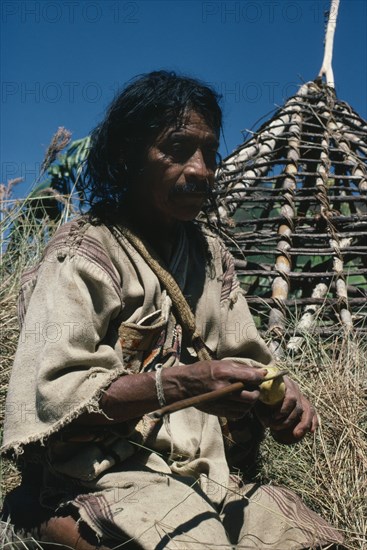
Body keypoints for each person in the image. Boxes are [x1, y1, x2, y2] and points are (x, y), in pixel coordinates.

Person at [1, 71, 343, 549]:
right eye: (177, 149)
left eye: (208, 152)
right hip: (108, 474)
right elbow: (58, 400)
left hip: (212, 478)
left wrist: (282, 403)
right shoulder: (84, 253)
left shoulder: (210, 258)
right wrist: (186, 384)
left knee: (312, 541)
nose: (201, 169)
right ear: (127, 157)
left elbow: (252, 362)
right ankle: (39, 518)